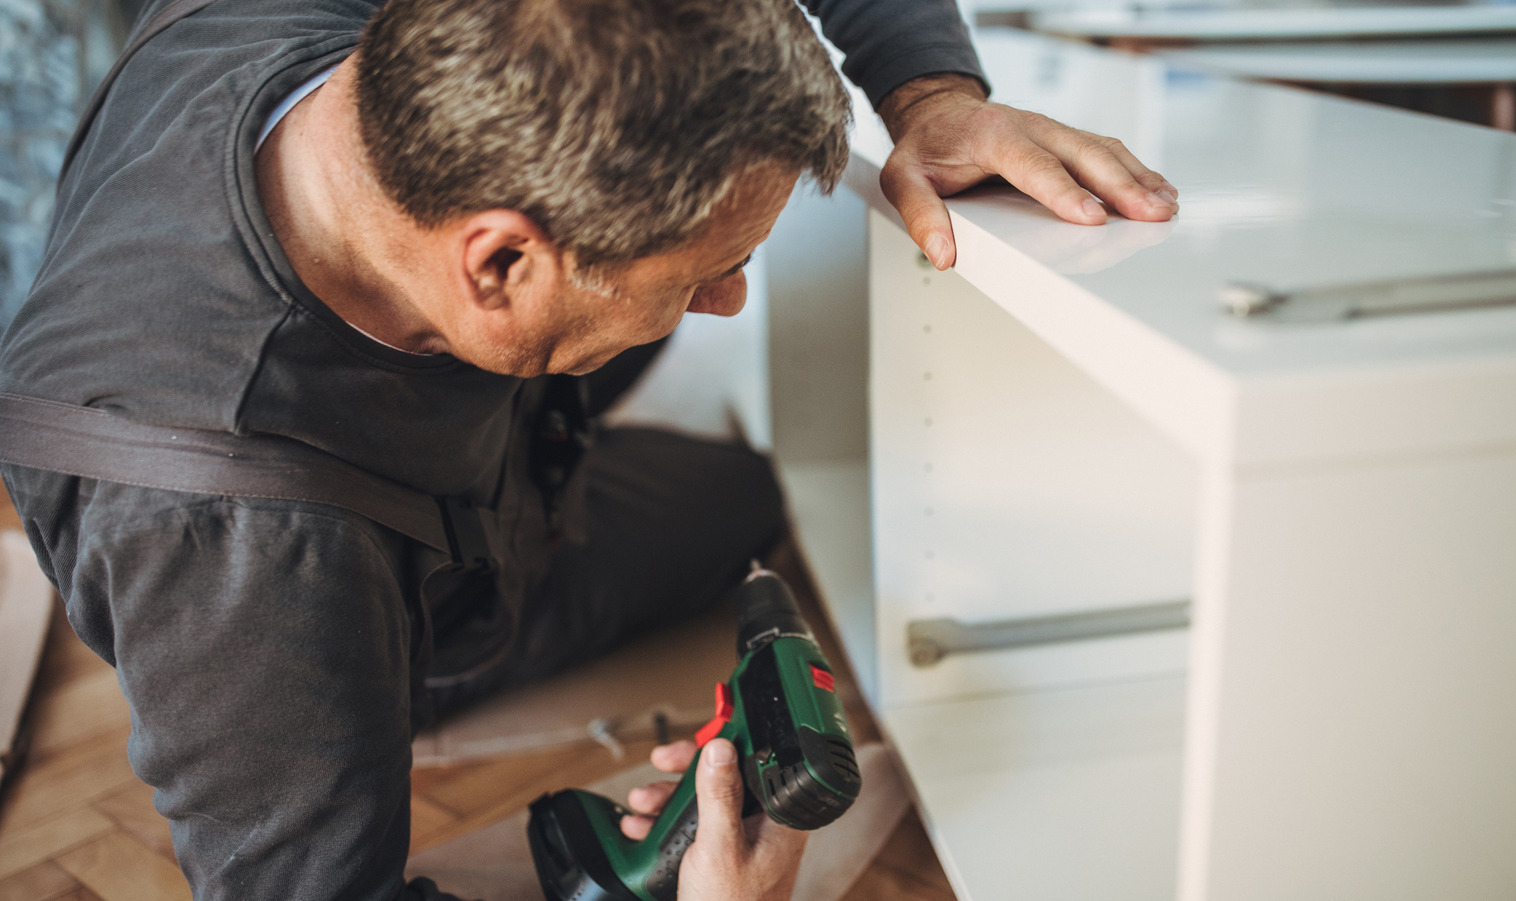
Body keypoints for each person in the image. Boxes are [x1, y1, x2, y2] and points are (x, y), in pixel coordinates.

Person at [0, 0, 1176, 898]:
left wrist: (930, 94)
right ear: (501, 261)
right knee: (741, 501)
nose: (727, 299)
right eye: (701, 271)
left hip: (492, 436)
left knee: (745, 495)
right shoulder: (254, 570)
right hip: (415, 583)